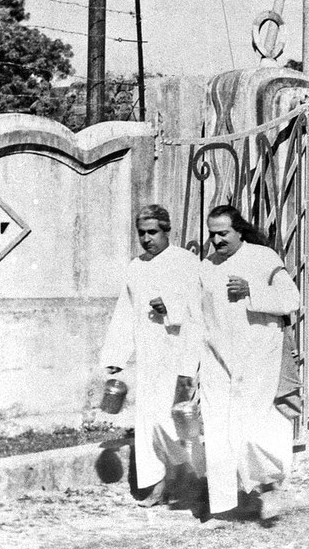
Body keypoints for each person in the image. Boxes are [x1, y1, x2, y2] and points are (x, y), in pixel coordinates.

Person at [197, 205, 300, 519]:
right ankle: (223, 507)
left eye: (223, 233)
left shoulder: (263, 258)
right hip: (216, 363)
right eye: (212, 234)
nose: (216, 240)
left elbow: (291, 300)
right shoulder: (206, 267)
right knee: (217, 434)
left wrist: (252, 289)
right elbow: (197, 314)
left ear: (239, 230)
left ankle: (262, 486)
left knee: (252, 431)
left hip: (257, 362)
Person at [100, 204, 204, 507]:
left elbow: (200, 310)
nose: (146, 239)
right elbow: (125, 312)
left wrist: (169, 309)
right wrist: (116, 354)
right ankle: (157, 484)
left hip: (180, 353)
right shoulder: (136, 266)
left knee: (177, 422)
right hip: (149, 356)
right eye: (141, 233)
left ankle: (186, 481)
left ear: (167, 230)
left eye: (153, 232)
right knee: (148, 422)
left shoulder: (187, 262)